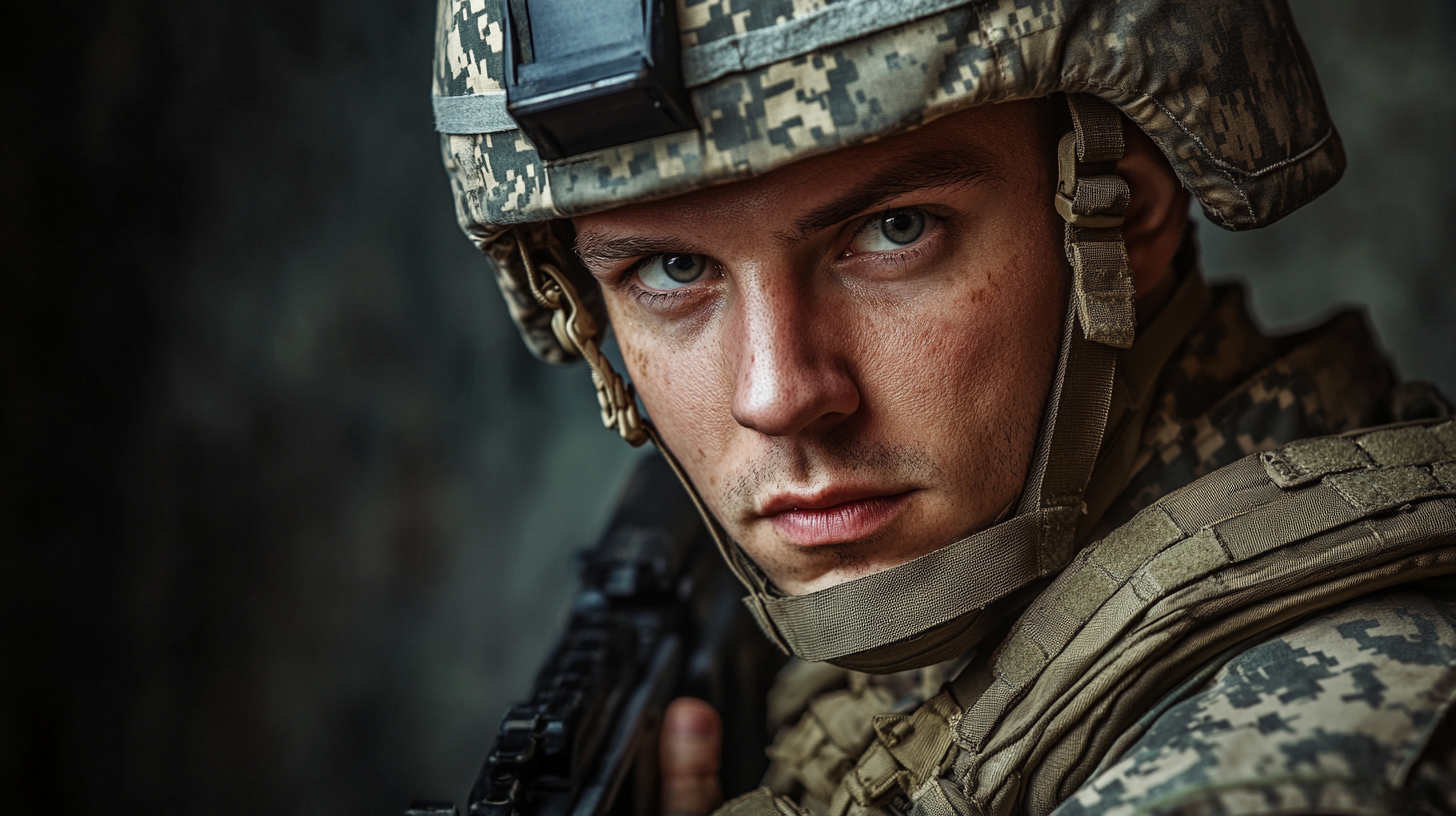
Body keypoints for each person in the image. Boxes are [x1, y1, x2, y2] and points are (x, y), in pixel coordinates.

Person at [430, 0, 1456, 814]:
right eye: (671, 267)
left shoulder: (1301, 755)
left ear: (1122, 213)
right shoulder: (961, 607)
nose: (778, 396)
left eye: (893, 231)